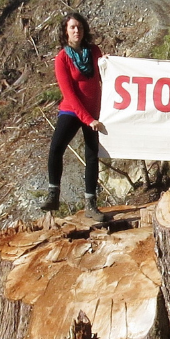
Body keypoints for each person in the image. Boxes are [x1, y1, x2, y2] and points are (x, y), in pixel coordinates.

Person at [41, 12, 107, 220]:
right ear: (65, 31)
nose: (76, 30)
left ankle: (91, 204)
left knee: (92, 156)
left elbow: (108, 74)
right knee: (56, 148)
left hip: (94, 112)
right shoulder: (62, 58)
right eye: (72, 27)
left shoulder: (94, 51)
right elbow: (68, 93)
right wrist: (87, 119)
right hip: (72, 110)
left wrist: (109, 63)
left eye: (79, 27)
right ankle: (53, 193)